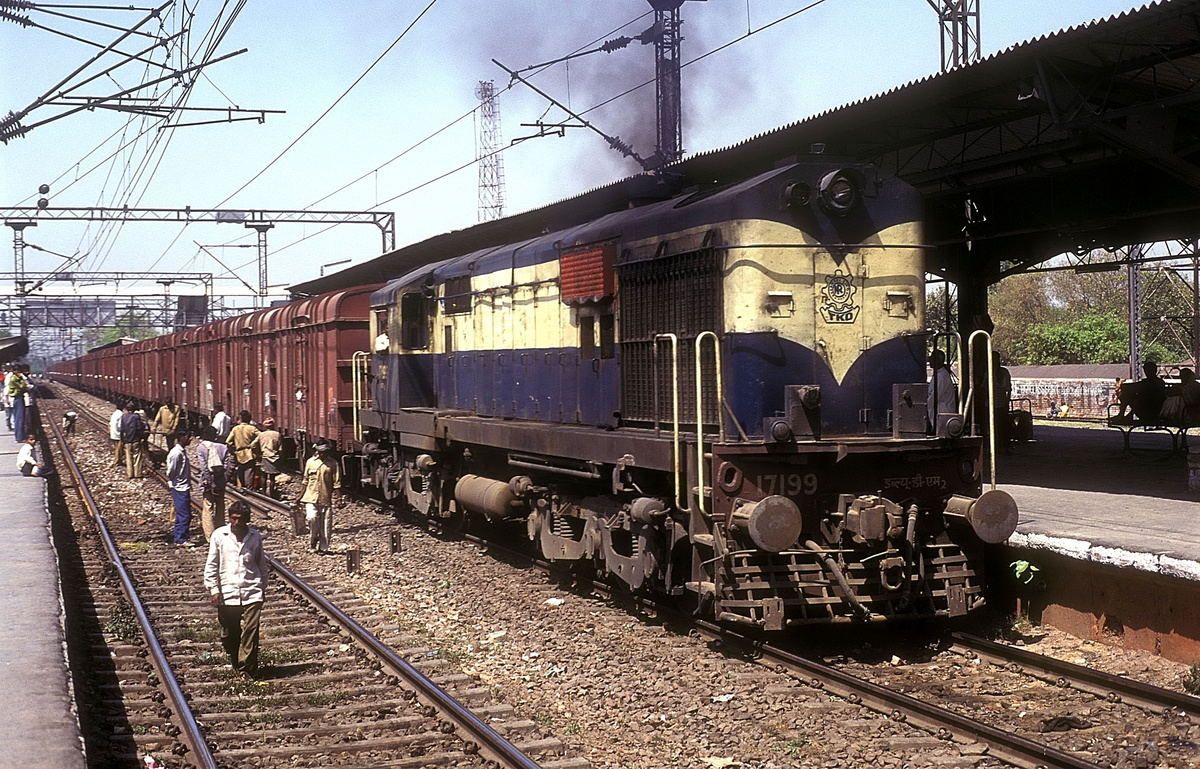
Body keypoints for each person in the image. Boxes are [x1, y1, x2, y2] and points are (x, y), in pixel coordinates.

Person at [204, 501, 269, 677]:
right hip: (228, 592)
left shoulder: (255, 536)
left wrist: (262, 587)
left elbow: (261, 564)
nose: (236, 523)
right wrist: (213, 589)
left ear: (247, 520)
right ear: (229, 518)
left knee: (250, 631)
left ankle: (247, 667)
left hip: (252, 591)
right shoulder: (219, 536)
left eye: (240, 519)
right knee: (229, 633)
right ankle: (235, 657)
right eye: (233, 518)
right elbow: (212, 564)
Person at [298, 441, 341, 554]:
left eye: (325, 452)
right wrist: (300, 496)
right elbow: (305, 480)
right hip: (310, 497)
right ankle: (313, 541)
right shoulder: (310, 462)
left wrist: (339, 499)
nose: (323, 454)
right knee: (312, 518)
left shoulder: (333, 464)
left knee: (326, 525)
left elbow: (336, 483)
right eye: (321, 452)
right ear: (317, 451)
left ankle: (323, 548)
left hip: (325, 498)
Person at [196, 427, 230, 542]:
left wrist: (210, 482)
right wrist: (221, 479)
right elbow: (226, 466)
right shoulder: (223, 447)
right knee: (220, 507)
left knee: (208, 508)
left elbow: (204, 467)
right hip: (220, 481)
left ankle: (210, 537)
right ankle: (221, 532)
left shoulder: (201, 448)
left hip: (208, 483)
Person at [167, 430, 194, 546]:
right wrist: (175, 481)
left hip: (182, 486)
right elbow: (170, 471)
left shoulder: (181, 452)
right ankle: (181, 538)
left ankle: (179, 537)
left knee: (181, 513)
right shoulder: (176, 453)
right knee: (185, 514)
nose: (190, 439)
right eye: (188, 437)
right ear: (182, 437)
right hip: (179, 487)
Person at [226, 410, 260, 489]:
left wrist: (233, 450)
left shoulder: (235, 429)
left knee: (240, 469)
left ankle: (240, 487)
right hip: (249, 453)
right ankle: (249, 488)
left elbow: (228, 441)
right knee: (249, 471)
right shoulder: (252, 428)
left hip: (239, 453)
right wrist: (254, 444)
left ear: (240, 418)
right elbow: (261, 436)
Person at [926, 348, 957, 433]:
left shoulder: (941, 377)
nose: (930, 362)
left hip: (943, 412)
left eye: (932, 359)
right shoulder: (938, 375)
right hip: (939, 412)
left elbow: (935, 397)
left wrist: (924, 407)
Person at [252, 417, 283, 497]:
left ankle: (264, 493)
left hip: (265, 456)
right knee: (272, 478)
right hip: (274, 457)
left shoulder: (261, 435)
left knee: (263, 476)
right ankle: (271, 494)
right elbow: (280, 448)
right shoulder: (277, 434)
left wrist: (258, 453)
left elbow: (253, 445)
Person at [120, 402, 149, 478]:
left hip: (127, 440)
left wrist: (123, 440)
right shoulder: (136, 417)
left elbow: (122, 429)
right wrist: (141, 437)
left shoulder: (124, 417)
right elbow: (139, 428)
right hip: (136, 440)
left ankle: (130, 474)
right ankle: (137, 474)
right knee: (137, 457)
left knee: (128, 458)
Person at [7, 367, 27, 443]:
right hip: (17, 398)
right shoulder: (15, 379)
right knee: (19, 418)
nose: (20, 372)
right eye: (18, 371)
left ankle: (19, 435)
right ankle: (19, 437)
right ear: (14, 371)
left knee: (18, 417)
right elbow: (23, 386)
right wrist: (22, 378)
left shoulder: (14, 378)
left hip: (17, 398)